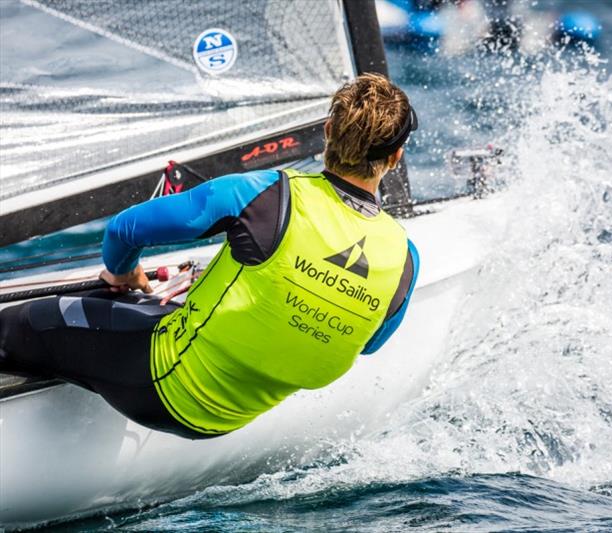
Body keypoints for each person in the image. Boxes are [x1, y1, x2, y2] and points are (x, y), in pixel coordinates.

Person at [0, 73, 420, 439]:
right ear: (396, 155)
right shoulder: (404, 259)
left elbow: (125, 229)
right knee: (134, 311)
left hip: (158, 381)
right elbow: (368, 343)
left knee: (22, 323)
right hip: (227, 419)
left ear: (329, 130)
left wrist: (122, 274)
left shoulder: (264, 195)